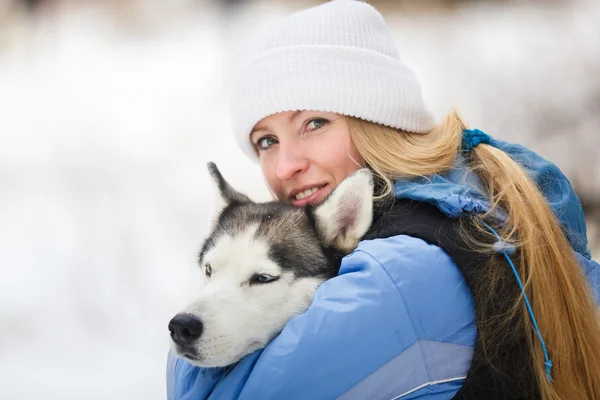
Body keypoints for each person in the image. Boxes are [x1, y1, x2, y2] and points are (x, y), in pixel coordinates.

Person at [167, 1, 600, 399]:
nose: (285, 167)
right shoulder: (453, 213)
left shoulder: (401, 276)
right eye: (266, 141)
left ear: (379, 122)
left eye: (315, 123)